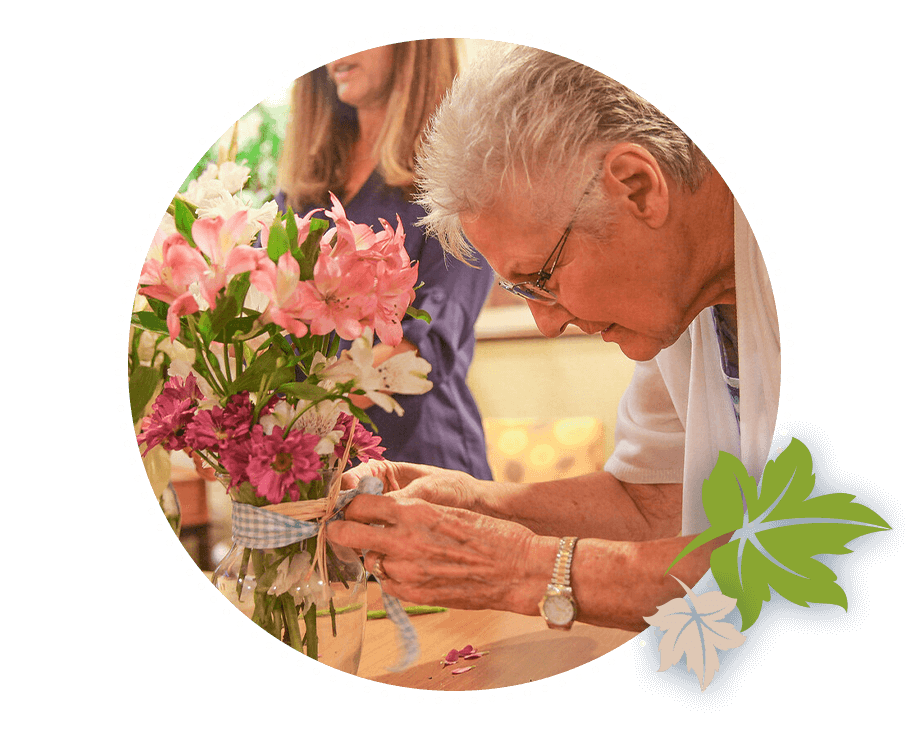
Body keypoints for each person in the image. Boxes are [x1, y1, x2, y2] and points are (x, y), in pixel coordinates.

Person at [326, 43, 781, 632]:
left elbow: (811, 552)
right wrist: (471, 501)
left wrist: (523, 569)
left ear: (637, 188)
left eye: (541, 278)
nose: (547, 323)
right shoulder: (674, 308)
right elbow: (651, 505)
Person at [274, 40, 495, 479]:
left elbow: (427, 343)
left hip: (418, 466)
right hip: (306, 469)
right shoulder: (301, 191)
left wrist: (296, 419)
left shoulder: (463, 173)